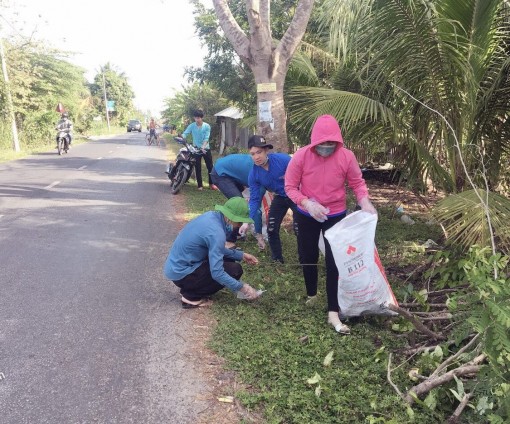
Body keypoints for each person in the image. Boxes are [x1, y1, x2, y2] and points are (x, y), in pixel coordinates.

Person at [285, 114, 377, 335]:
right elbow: (290, 187)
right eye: (322, 144)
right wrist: (306, 203)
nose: (326, 147)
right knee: (307, 255)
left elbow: (357, 182)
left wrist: (364, 202)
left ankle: (333, 310)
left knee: (335, 261)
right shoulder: (301, 156)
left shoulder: (346, 157)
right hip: (307, 213)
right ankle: (311, 294)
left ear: (338, 142)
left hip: (335, 214)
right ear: (314, 142)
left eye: (330, 144)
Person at [163, 197, 261, 308]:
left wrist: (241, 255)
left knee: (229, 260)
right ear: (229, 217)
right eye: (238, 222)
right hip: (182, 274)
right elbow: (217, 273)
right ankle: (191, 297)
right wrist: (242, 288)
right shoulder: (216, 232)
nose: (239, 225)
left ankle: (192, 287)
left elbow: (217, 249)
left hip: (176, 267)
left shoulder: (211, 216)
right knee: (234, 270)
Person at [240, 135, 297, 263]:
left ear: (266, 150)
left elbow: (302, 174)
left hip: (296, 195)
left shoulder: (283, 160)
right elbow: (254, 200)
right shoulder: (254, 174)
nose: (256, 157)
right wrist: (246, 222)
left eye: (259, 152)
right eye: (253, 154)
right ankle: (277, 259)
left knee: (299, 228)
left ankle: (303, 258)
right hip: (280, 197)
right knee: (271, 228)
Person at [210, 153, 264, 245]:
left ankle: (239, 231)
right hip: (220, 173)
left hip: (230, 171)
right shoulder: (262, 178)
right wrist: (259, 236)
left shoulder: (263, 168)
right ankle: (229, 239)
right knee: (238, 205)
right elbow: (256, 207)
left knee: (244, 203)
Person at [180, 109, 216, 191]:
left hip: (205, 149)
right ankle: (200, 185)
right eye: (196, 117)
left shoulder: (207, 126)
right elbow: (185, 133)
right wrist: (181, 137)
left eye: (199, 118)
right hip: (195, 149)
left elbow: (206, 138)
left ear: (201, 118)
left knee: (210, 167)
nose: (197, 119)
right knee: (197, 167)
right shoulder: (192, 125)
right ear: (194, 118)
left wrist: (203, 146)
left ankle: (211, 184)